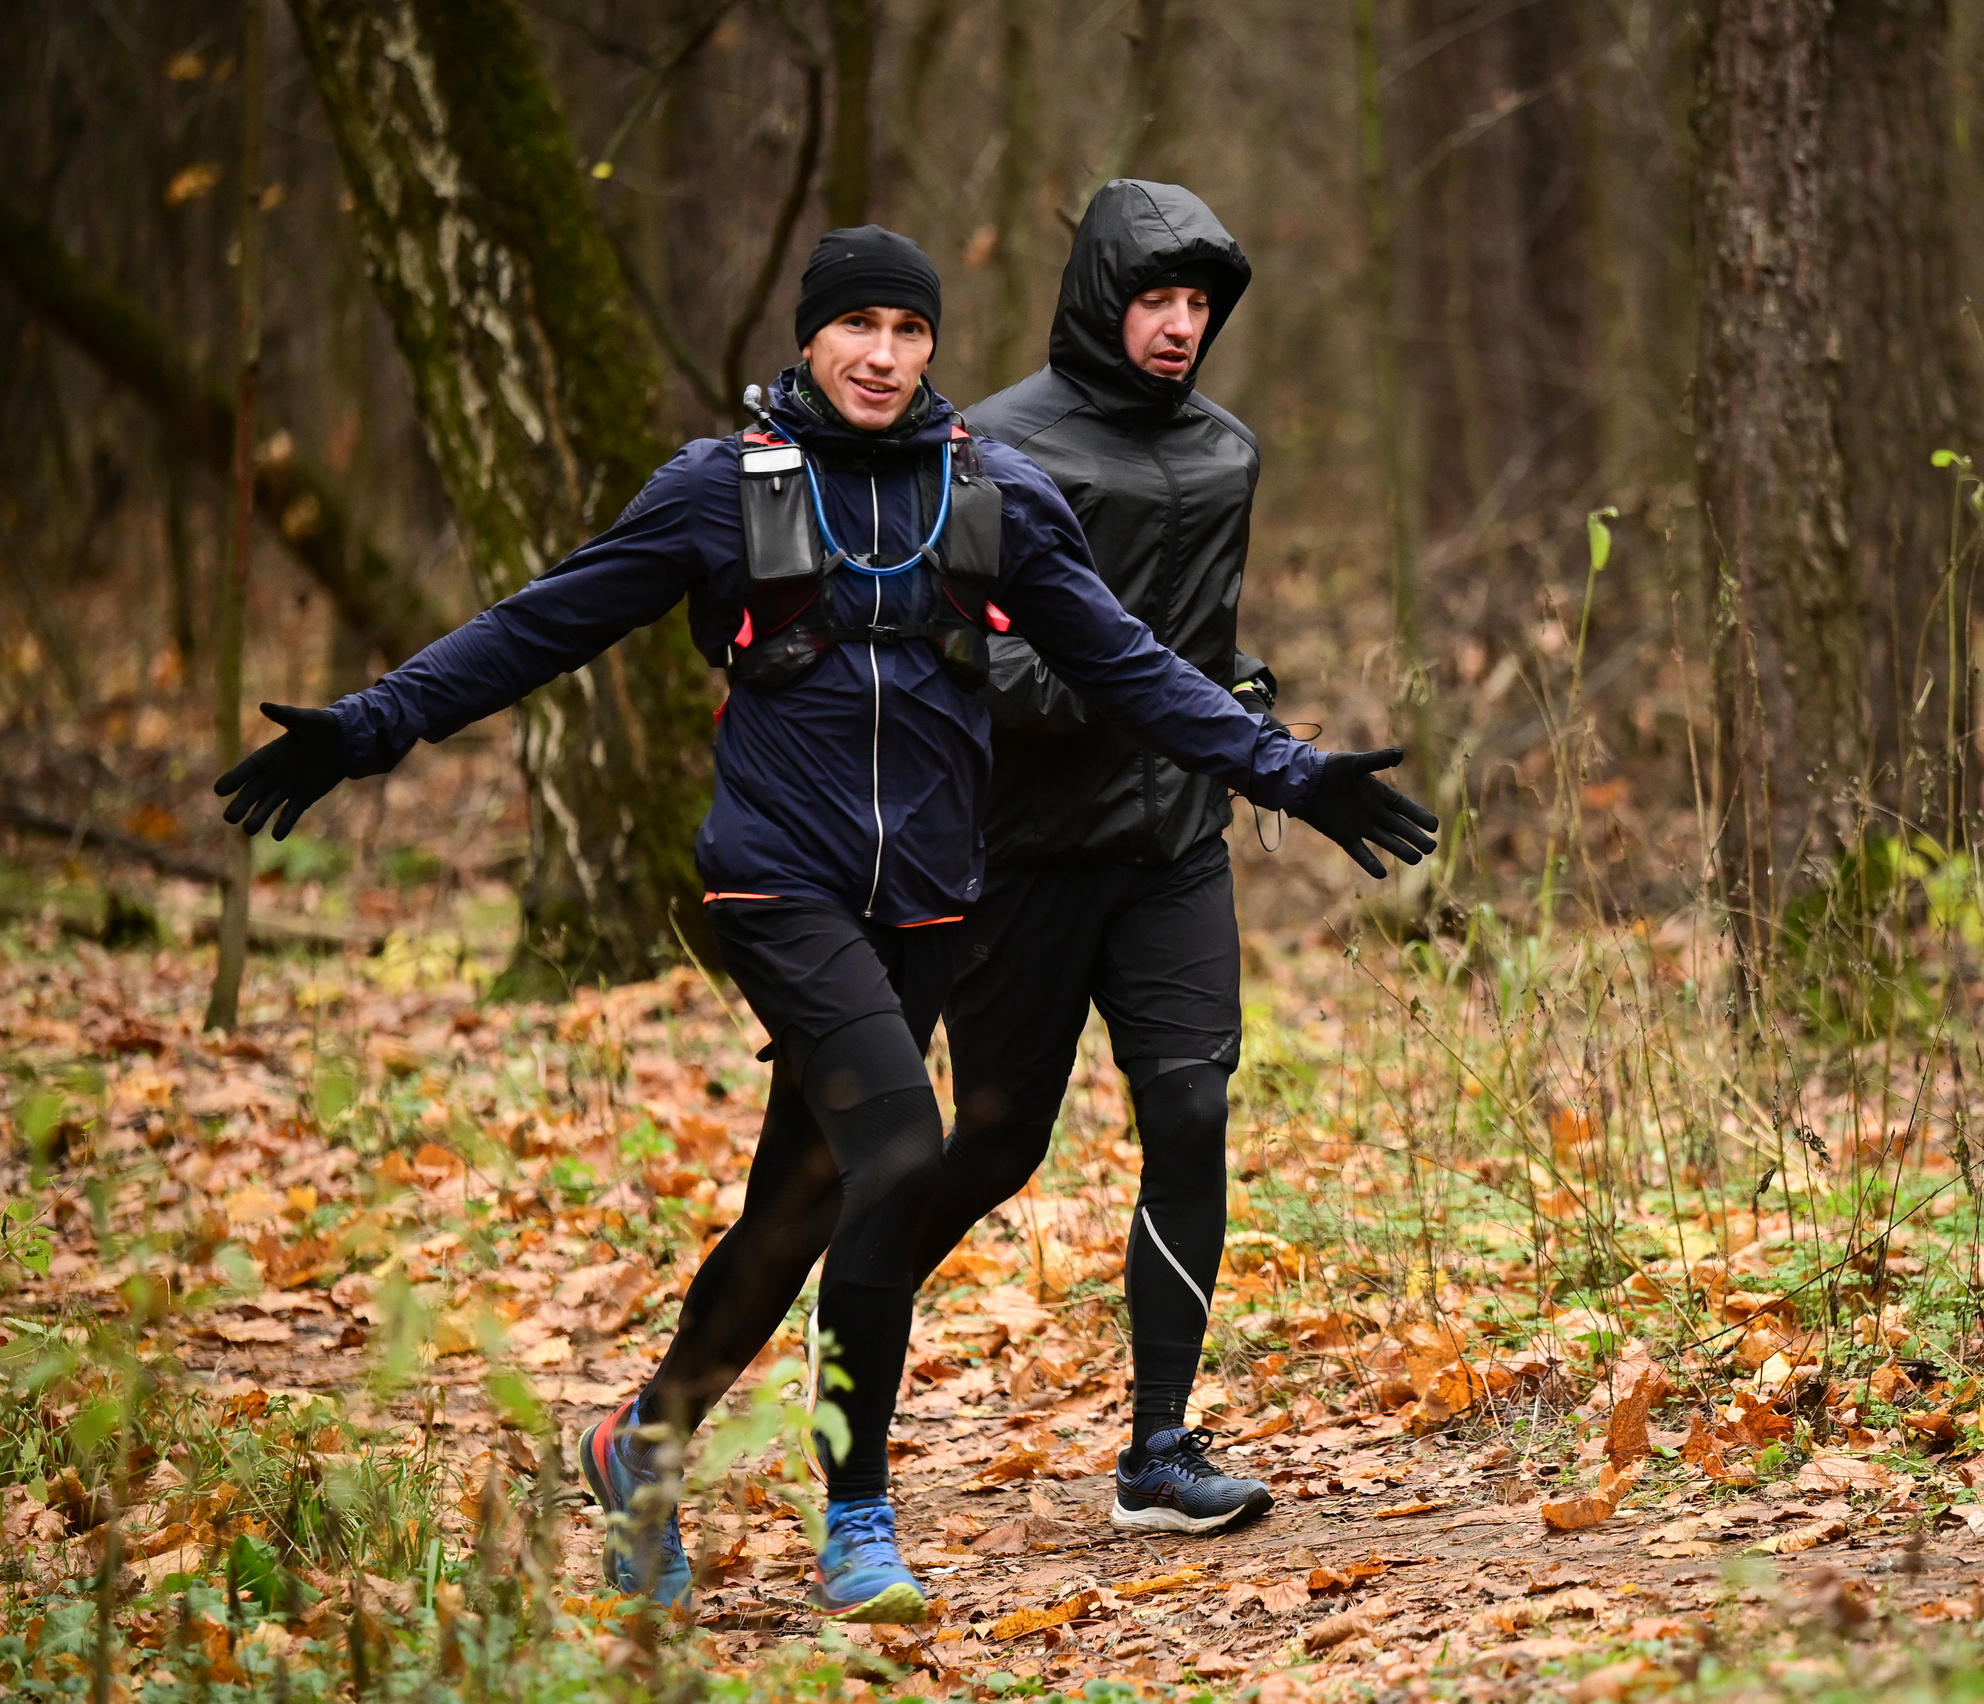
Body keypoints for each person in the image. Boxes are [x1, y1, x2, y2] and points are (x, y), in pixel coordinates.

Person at [212, 226, 1439, 1620]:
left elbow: (1135, 668)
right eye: (856, 327)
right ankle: (860, 1514)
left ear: (932, 347)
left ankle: (640, 1444)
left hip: (925, 899)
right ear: (809, 339)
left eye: (908, 332)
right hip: (777, 885)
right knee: (905, 1148)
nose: (882, 355)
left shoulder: (992, 492)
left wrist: (1291, 770)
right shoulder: (718, 492)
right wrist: (367, 728)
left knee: (799, 1201)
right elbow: (538, 625)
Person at [885, 180, 1293, 1538]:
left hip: (1175, 847)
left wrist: (1240, 700)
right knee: (995, 1143)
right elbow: (967, 650)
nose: (1181, 327)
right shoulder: (990, 445)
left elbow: (1200, 634)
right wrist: (1108, 694)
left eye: (1200, 305)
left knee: (1192, 1113)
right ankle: (851, 1304)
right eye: (1157, 300)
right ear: (1102, 302)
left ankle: (1160, 1449)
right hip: (1029, 851)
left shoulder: (1228, 453)